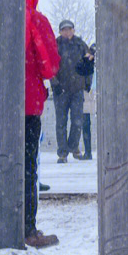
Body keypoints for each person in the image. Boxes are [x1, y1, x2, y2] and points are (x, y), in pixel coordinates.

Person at [24, 0, 61, 249]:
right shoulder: (35, 20)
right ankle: (27, 229)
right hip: (27, 105)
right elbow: (50, 65)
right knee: (27, 167)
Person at [51, 19, 91, 162]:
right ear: (60, 31)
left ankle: (73, 147)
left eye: (69, 29)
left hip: (77, 90)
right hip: (61, 90)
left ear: (73, 30)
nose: (67, 32)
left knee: (77, 121)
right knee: (60, 123)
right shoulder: (55, 45)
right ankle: (62, 153)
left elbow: (89, 63)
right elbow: (50, 65)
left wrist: (87, 83)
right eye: (64, 29)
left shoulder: (80, 45)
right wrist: (54, 83)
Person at [74, 42, 95, 160]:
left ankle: (88, 152)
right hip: (88, 94)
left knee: (86, 123)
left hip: (91, 93)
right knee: (85, 123)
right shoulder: (86, 64)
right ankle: (88, 152)